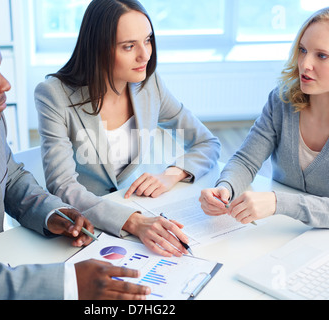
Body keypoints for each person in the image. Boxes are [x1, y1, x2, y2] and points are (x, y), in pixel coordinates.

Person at [0, 6, 151, 300]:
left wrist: (51, 213)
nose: (5, 84)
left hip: (0, 265)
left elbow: (9, 179)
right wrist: (68, 284)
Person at [35, 0, 221, 257]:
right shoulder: (54, 95)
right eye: (129, 46)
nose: (145, 55)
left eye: (148, 40)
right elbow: (63, 185)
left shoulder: (148, 84)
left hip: (139, 210)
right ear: (98, 49)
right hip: (84, 227)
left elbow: (207, 142)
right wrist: (133, 221)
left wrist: (173, 174)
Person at [199, 4, 329, 231]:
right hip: (280, 229)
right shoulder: (282, 101)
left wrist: (278, 202)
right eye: (302, 50)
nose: (305, 64)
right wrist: (226, 187)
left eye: (322, 55)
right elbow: (246, 160)